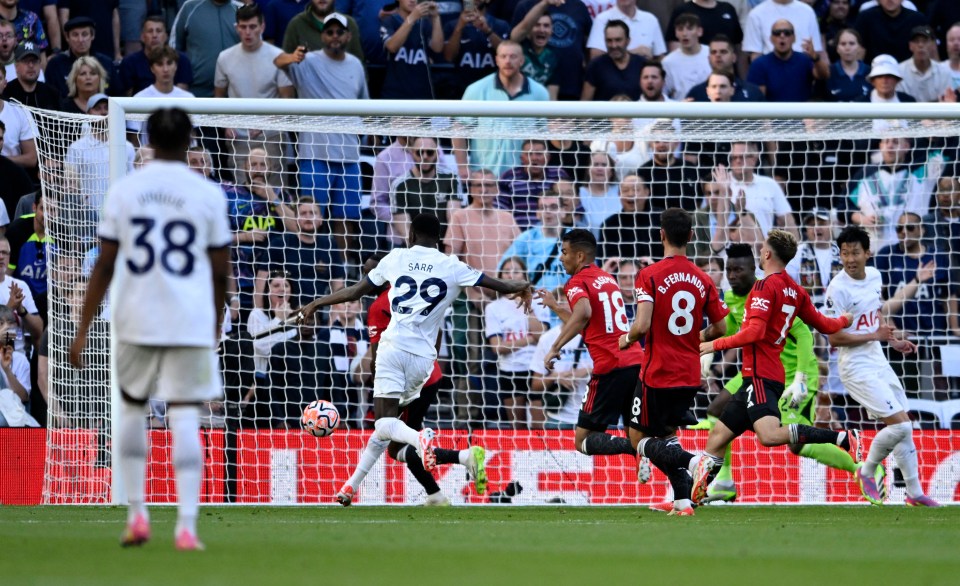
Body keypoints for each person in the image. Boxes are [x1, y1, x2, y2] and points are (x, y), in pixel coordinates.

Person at [69, 107, 231, 550]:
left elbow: (104, 263)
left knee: (131, 410)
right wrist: (215, 322)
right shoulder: (207, 195)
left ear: (147, 139)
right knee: (183, 416)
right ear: (190, 141)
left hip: (135, 316)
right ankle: (186, 526)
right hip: (188, 320)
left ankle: (137, 514)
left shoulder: (126, 191)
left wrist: (82, 328)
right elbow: (220, 272)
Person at [299, 213, 533, 472]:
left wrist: (317, 302)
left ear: (410, 235)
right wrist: (522, 285)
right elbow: (496, 284)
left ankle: (419, 439)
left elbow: (355, 291)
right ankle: (442, 470)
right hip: (425, 362)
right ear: (440, 239)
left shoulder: (396, 258)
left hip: (393, 350)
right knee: (391, 441)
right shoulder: (452, 265)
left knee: (384, 425)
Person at [683, 230, 858, 504]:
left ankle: (841, 438)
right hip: (754, 377)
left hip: (762, 376)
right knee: (718, 435)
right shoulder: (795, 290)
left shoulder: (765, 287)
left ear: (766, 254)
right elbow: (824, 325)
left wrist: (713, 346)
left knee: (769, 436)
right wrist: (845, 320)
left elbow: (753, 332)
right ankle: (694, 495)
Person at [337, 254, 488, 506]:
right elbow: (436, 330)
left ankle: (464, 456)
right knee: (395, 444)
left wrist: (382, 391)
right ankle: (436, 494)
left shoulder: (378, 307)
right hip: (428, 372)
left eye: (368, 274)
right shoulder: (414, 293)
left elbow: (377, 358)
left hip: (403, 377)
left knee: (387, 431)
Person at [617, 208, 728, 516]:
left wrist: (626, 339)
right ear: (691, 237)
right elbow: (721, 329)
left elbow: (641, 325)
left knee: (637, 437)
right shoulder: (703, 278)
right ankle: (683, 501)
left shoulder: (649, 275)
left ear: (661, 235)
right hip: (690, 373)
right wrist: (696, 335)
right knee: (666, 435)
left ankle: (695, 462)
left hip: (657, 372)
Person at [825, 225, 940, 506]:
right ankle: (866, 471)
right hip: (855, 366)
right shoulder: (837, 288)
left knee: (905, 427)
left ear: (867, 253)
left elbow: (875, 318)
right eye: (844, 254)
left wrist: (893, 340)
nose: (850, 259)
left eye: (855, 253)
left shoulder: (875, 275)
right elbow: (834, 336)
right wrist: (873, 336)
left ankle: (914, 494)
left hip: (877, 357)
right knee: (900, 426)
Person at [538, 229, 643, 463]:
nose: (561, 257)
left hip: (610, 366)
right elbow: (588, 323)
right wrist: (555, 306)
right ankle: (684, 476)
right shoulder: (607, 279)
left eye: (564, 252)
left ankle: (640, 449)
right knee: (635, 433)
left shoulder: (576, 282)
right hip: (635, 361)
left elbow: (583, 314)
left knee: (582, 440)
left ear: (579, 256)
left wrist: (555, 346)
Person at [274, 13, 369, 267]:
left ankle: (340, 269)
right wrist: (293, 56)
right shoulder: (307, 61)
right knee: (311, 215)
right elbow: (278, 60)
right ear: (322, 36)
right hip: (314, 154)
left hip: (349, 154)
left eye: (340, 32)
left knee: (346, 218)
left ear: (348, 36)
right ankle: (311, 266)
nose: (335, 36)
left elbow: (365, 105)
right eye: (330, 32)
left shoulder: (356, 65)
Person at [454, 41, 550, 180]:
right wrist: (463, 167)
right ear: (496, 60)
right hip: (484, 177)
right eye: (503, 56)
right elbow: (459, 129)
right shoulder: (476, 90)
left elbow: (543, 137)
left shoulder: (539, 93)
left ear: (522, 60)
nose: (508, 61)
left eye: (513, 56)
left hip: (524, 178)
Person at [486, 257, 545, 427]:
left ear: (525, 275)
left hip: (536, 369)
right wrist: (529, 339)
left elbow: (542, 336)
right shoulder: (493, 308)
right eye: (507, 271)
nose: (511, 274)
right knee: (517, 428)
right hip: (510, 371)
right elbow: (497, 347)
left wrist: (527, 304)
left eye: (516, 270)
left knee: (538, 428)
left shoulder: (539, 301)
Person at [510, 0, 592, 101]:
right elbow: (514, 38)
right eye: (537, 25)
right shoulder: (525, 5)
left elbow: (589, 44)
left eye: (546, 26)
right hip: (528, 91)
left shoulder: (579, 6)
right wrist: (545, 3)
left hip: (572, 87)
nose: (542, 30)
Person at [389, 136, 462, 242]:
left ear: (437, 153)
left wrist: (447, 253)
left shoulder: (451, 179)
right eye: (419, 152)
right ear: (411, 153)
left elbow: (453, 223)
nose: (424, 156)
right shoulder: (399, 185)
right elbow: (405, 232)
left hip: (444, 245)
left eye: (430, 152)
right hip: (413, 249)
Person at [442, 0, 510, 99]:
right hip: (461, 89)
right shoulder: (452, 25)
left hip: (493, 90)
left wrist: (487, 31)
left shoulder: (500, 25)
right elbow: (449, 57)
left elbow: (507, 54)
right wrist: (459, 27)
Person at [171, 0, 240, 97]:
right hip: (196, 90)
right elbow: (173, 47)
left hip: (234, 92)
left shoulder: (241, 10)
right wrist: (180, 78)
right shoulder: (189, 7)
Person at [497, 138, 567, 229]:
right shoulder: (508, 177)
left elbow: (573, 205)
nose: (534, 158)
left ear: (548, 157)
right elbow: (500, 211)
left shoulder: (559, 175)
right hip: (520, 236)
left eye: (539, 154)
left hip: (554, 234)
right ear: (522, 158)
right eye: (529, 154)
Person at [380, 0, 443, 100]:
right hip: (395, 94)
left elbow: (437, 48)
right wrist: (412, 18)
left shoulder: (424, 23)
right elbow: (392, 47)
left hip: (422, 93)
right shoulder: (390, 20)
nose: (412, 0)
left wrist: (435, 18)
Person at [117, 16, 193, 97]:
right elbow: (127, 99)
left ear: (166, 36)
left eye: (159, 31)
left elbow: (180, 97)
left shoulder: (181, 60)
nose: (154, 35)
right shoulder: (129, 62)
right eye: (150, 31)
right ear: (142, 37)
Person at [45, 16, 115, 99]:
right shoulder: (55, 65)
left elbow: (117, 96)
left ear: (92, 36)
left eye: (85, 34)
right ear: (67, 38)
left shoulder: (106, 63)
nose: (80, 40)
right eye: (75, 35)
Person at [685, 35, 765, 101]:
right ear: (709, 59)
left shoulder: (753, 92)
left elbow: (765, 119)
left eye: (723, 52)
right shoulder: (696, 93)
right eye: (714, 52)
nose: (718, 55)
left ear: (734, 57)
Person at [581, 20, 645, 102]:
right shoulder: (595, 66)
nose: (614, 45)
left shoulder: (642, 64)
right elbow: (585, 102)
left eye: (618, 40)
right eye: (609, 41)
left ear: (628, 41)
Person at [599, 174, 658, 262]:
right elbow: (605, 260)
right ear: (619, 194)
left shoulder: (662, 219)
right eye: (625, 190)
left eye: (635, 189)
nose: (630, 194)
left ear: (646, 192)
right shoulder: (609, 225)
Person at [585, 0, 666, 60]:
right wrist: (634, 53)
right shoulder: (602, 19)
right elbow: (595, 56)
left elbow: (660, 57)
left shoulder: (650, 19)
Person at [854, 0, 928, 63]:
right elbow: (858, 53)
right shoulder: (865, 18)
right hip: (874, 73)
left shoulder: (917, 19)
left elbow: (930, 50)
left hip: (909, 74)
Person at [662, 13, 711, 101]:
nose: (684, 33)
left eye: (690, 29)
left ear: (699, 31)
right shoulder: (668, 62)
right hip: (681, 112)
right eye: (680, 29)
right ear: (676, 33)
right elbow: (663, 94)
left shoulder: (711, 53)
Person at [897, 25, 953, 103]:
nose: (920, 45)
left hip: (937, 114)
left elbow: (946, 102)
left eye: (925, 41)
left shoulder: (944, 72)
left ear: (933, 45)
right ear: (910, 46)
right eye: (916, 41)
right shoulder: (899, 71)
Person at [2, 42, 59, 110]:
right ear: (16, 66)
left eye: (34, 61)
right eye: (26, 61)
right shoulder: (5, 94)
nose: (31, 65)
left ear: (40, 64)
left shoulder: (52, 94)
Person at [666, 0, 743, 49]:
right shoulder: (682, 10)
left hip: (727, 71)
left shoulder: (728, 9)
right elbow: (675, 46)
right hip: (694, 71)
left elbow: (738, 46)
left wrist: (743, 74)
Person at [824, 27, 871, 102]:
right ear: (837, 48)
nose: (847, 48)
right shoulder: (828, 72)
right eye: (843, 44)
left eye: (852, 43)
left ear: (859, 47)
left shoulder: (870, 72)